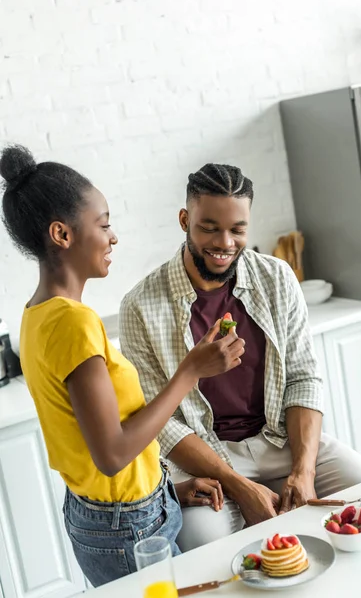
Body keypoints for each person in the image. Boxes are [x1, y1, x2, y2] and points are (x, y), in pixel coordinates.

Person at [0, 146, 245, 587]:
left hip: (120, 513)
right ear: (62, 233)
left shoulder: (36, 315)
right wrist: (190, 371)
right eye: (104, 223)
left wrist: (165, 490)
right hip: (125, 528)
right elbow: (112, 454)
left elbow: (98, 442)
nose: (113, 237)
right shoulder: (72, 323)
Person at [119, 163, 361, 552]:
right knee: (206, 548)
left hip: (283, 440)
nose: (224, 242)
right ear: (184, 219)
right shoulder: (140, 305)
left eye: (237, 229)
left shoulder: (276, 277)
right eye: (209, 227)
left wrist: (303, 471)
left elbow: (303, 378)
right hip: (210, 461)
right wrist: (241, 488)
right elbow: (165, 425)